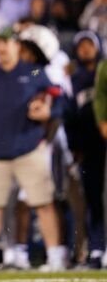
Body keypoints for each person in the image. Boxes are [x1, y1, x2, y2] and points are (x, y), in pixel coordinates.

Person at [0, 28, 64, 271]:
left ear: (17, 45)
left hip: (29, 149)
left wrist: (50, 111)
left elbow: (58, 94)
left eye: (6, 42)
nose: (1, 47)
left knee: (43, 202)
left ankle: (55, 256)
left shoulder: (35, 70)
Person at [66, 31, 105, 269]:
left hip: (104, 141)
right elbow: (71, 117)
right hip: (89, 146)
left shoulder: (105, 71)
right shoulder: (75, 78)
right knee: (93, 200)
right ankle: (98, 248)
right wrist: (75, 147)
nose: (85, 49)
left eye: (89, 44)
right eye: (81, 46)